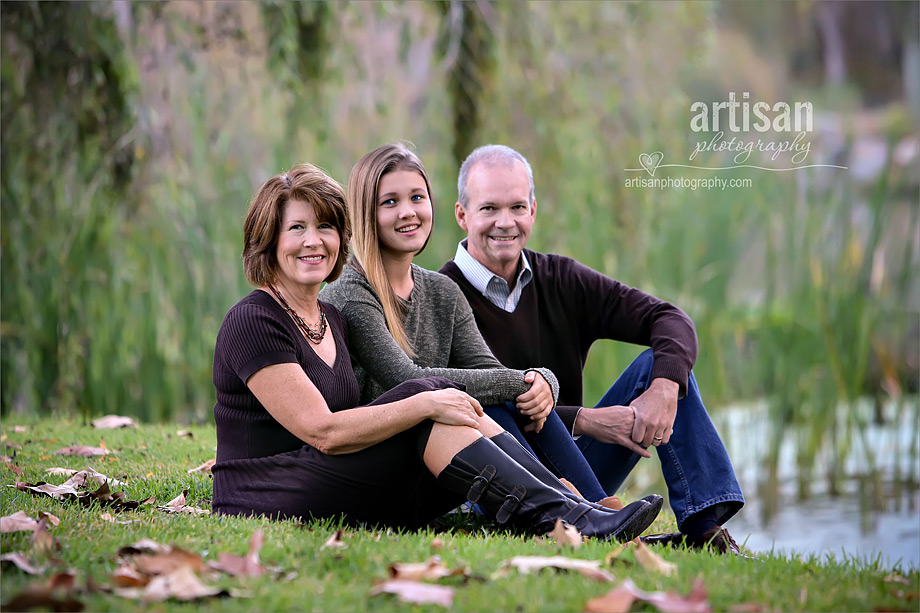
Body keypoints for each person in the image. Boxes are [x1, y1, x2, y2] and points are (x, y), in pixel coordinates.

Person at [210, 162, 663, 540]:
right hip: (266, 495)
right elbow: (324, 431)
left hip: (327, 482)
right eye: (297, 229)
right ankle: (570, 514)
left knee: (439, 398)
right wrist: (426, 401)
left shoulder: (330, 318)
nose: (314, 241)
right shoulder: (255, 320)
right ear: (268, 240)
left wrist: (448, 397)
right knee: (430, 394)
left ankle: (574, 510)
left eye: (325, 226)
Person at [439, 145, 746, 554]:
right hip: (492, 476)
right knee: (493, 401)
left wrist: (663, 389)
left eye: (516, 206)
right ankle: (594, 513)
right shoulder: (440, 295)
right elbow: (462, 401)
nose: (505, 222)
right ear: (462, 214)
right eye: (489, 209)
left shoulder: (562, 280)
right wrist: (585, 420)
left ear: (533, 210)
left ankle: (703, 527)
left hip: (574, 465)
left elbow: (669, 318)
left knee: (663, 365)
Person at [320, 143, 616, 505]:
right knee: (500, 391)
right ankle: (568, 506)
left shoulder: (443, 290)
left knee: (509, 397)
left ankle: (592, 504)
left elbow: (488, 372)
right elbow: (408, 380)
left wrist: (542, 383)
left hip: (437, 448)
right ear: (366, 212)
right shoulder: (350, 292)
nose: (408, 212)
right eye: (390, 202)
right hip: (385, 459)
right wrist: (528, 379)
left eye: (417, 197)